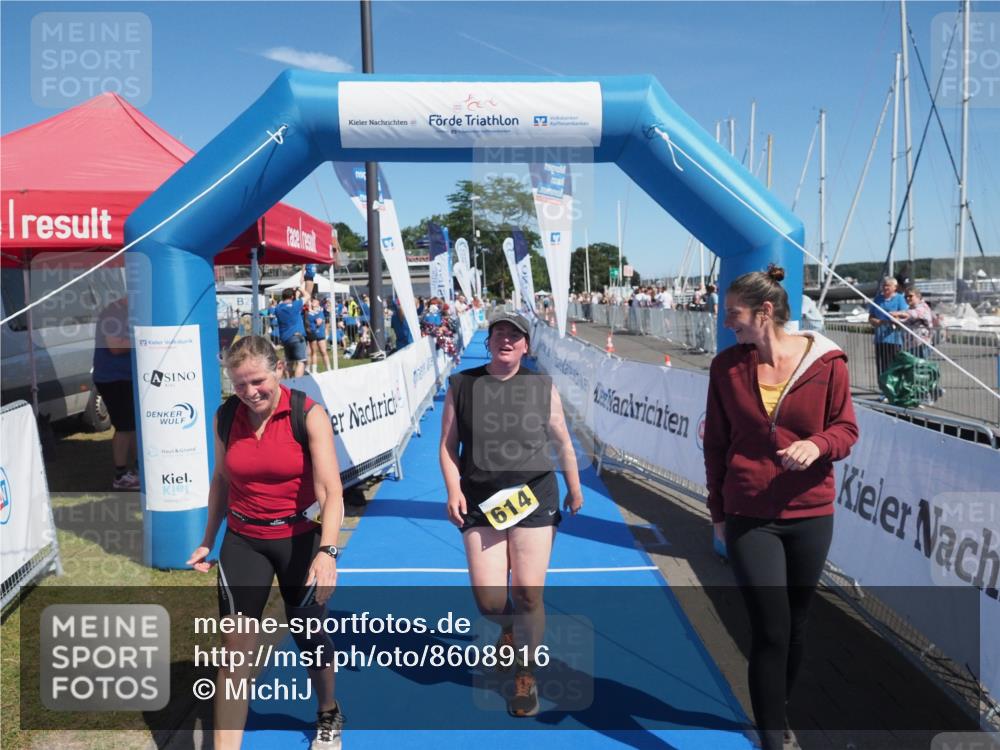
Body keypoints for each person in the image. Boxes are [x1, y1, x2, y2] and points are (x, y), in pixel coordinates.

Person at [703, 265, 859, 750]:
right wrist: (718, 511)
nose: (727, 322)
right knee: (771, 629)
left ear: (764, 312)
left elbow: (846, 430)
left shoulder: (828, 363)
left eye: (734, 313)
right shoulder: (726, 367)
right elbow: (716, 444)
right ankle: (772, 737)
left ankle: (777, 708)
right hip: (749, 514)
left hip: (811, 513)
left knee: (796, 625)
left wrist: (818, 444)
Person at [187, 336, 345, 750]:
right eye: (239, 384)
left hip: (299, 540)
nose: (250, 392)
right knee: (235, 655)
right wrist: (208, 538)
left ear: (279, 370)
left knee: (309, 636)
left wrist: (328, 552)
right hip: (244, 542)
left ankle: (328, 710)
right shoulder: (226, 416)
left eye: (257, 381)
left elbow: (330, 491)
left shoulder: (308, 415)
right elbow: (221, 480)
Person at [439, 312, 584, 717]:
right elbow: (448, 446)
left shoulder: (541, 386)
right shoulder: (462, 385)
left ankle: (526, 673)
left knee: (527, 594)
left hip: (534, 496)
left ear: (526, 345)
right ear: (488, 342)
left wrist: (574, 487)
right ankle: (508, 628)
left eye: (514, 335)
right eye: (499, 333)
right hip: (481, 500)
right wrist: (453, 490)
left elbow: (562, 439)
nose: (506, 340)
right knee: (490, 601)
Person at [93, 296, 139, 489]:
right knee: (124, 427)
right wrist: (144, 340)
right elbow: (115, 347)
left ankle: (138, 469)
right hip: (113, 378)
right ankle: (120, 475)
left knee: (133, 426)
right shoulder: (113, 314)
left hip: (125, 377)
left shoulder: (125, 312)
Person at [868, 276, 907, 395]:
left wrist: (896, 317)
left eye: (888, 285)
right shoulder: (878, 299)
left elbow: (905, 314)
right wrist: (877, 321)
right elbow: (871, 317)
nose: (885, 287)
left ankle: (895, 389)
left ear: (895, 287)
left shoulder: (900, 298)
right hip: (880, 338)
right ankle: (884, 389)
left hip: (894, 338)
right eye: (884, 285)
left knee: (894, 365)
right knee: (881, 366)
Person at [274, 286, 309, 378]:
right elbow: (307, 296)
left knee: (289, 362)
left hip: (286, 339)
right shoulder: (295, 305)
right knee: (301, 362)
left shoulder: (278, 308)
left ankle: (289, 382)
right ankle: (298, 383)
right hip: (297, 337)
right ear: (292, 297)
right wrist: (300, 289)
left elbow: (283, 304)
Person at [305, 297, 332, 373]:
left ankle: (329, 369)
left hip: (320, 334)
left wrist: (315, 322)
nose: (313, 302)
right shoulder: (308, 312)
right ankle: (309, 369)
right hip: (311, 334)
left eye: (315, 301)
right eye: (312, 301)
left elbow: (319, 322)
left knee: (323, 351)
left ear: (318, 303)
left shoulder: (320, 311)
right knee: (310, 352)